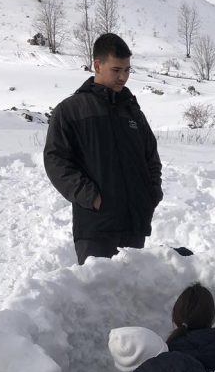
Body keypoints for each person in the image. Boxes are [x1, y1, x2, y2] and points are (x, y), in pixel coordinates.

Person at [44, 33, 163, 265]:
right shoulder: (71, 110)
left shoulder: (132, 112)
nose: (123, 77)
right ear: (97, 65)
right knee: (99, 288)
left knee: (131, 286)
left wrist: (151, 194)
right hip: (95, 228)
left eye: (127, 70)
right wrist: (91, 197)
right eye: (116, 70)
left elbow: (151, 158)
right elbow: (56, 161)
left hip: (134, 225)